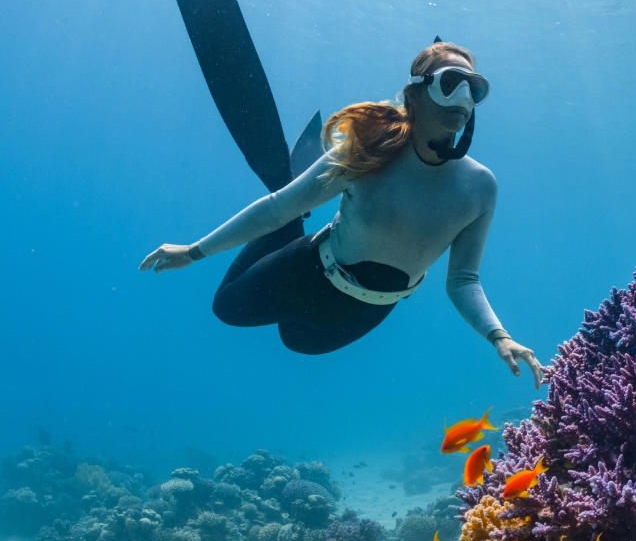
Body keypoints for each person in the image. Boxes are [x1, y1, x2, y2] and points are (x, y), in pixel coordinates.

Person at [140, 40, 542, 387]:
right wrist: (192, 252)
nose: (463, 99)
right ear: (415, 94)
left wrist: (499, 336)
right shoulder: (367, 151)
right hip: (309, 272)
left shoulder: (480, 187)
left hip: (373, 308)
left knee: (298, 343)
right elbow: (275, 209)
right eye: (450, 83)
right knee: (226, 308)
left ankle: (300, 212)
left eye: (475, 88)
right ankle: (299, 210)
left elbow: (464, 279)